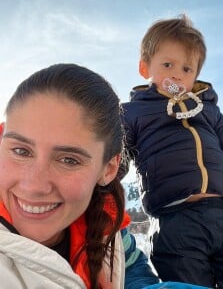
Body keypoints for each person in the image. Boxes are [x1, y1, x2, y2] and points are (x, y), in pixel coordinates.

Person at [119, 14, 223, 289]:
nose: (177, 73)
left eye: (187, 68)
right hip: (174, 221)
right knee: (188, 284)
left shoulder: (210, 112)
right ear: (145, 68)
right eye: (168, 64)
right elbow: (115, 156)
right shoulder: (134, 113)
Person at [0, 63, 160, 289]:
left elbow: (134, 273)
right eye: (21, 151)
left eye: (68, 160)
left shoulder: (108, 228)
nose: (33, 186)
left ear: (109, 169)